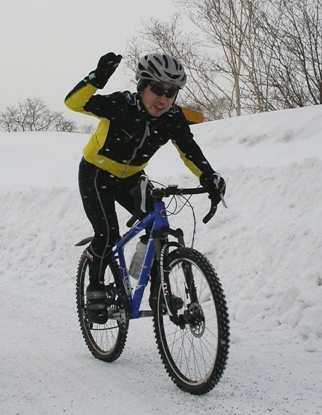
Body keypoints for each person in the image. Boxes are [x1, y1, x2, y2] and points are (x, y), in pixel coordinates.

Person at [65, 51, 226, 323]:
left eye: (171, 92)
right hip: (96, 173)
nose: (163, 98)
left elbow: (189, 151)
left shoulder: (172, 118)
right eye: (157, 89)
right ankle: (94, 288)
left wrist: (208, 176)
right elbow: (74, 103)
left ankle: (154, 291)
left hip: (131, 178)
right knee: (107, 233)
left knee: (158, 228)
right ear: (142, 85)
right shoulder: (121, 104)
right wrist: (97, 78)